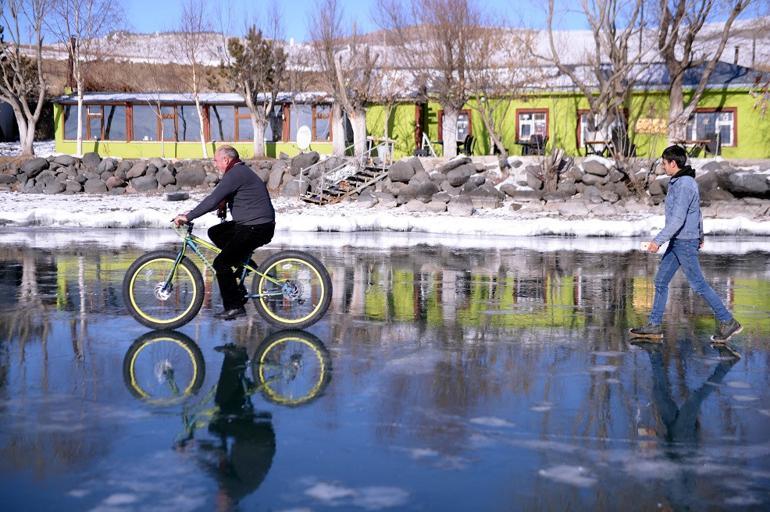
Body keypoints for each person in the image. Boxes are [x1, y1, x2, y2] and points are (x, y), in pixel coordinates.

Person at [631, 145, 741, 342]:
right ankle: (654, 325)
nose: (663, 166)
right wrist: (700, 235)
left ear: (674, 163)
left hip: (683, 241)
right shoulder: (682, 181)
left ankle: (728, 321)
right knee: (661, 281)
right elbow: (696, 212)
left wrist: (657, 242)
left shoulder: (683, 184)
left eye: (665, 163)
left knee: (698, 284)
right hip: (680, 240)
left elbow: (677, 220)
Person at [174, 146, 275, 320]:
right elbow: (215, 202)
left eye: (216, 160)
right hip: (253, 224)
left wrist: (188, 217)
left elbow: (213, 198)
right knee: (217, 232)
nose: (215, 164)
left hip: (255, 227)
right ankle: (244, 263)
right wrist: (190, 213)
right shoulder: (237, 172)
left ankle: (234, 306)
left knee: (221, 264)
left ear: (226, 160)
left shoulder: (235, 174)